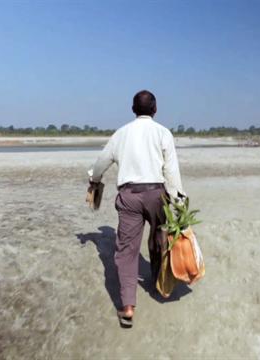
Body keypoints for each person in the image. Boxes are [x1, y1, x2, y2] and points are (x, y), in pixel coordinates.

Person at [88, 90, 185, 328]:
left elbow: (101, 162)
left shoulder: (121, 133)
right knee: (160, 239)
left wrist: (94, 179)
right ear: (155, 109)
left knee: (127, 251)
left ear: (133, 109)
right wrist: (179, 201)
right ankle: (161, 285)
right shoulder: (163, 133)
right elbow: (171, 171)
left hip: (129, 196)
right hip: (157, 194)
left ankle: (128, 307)